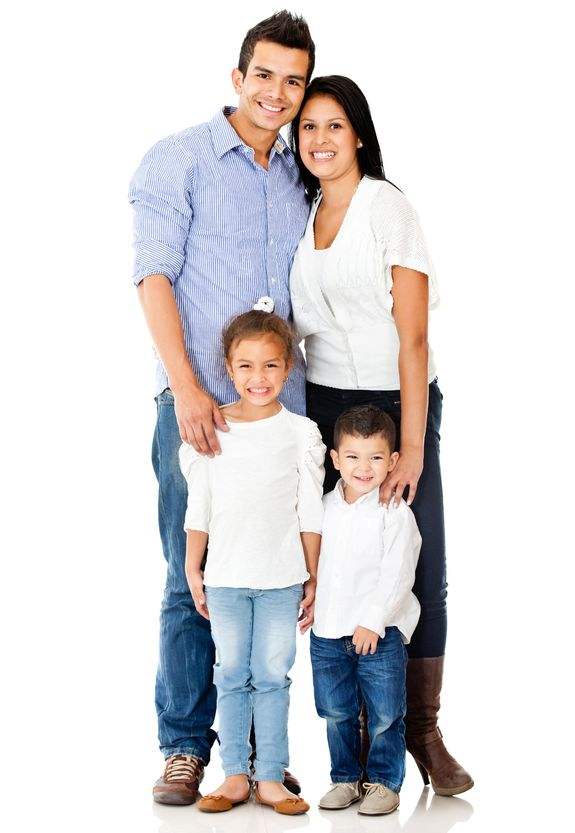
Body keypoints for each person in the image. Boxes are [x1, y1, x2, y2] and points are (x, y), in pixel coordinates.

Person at [128, 11, 315, 804]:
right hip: (200, 409)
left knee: (273, 582)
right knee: (192, 576)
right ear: (238, 78)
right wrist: (187, 388)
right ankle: (184, 747)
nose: (276, 93)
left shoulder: (304, 172)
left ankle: (258, 755)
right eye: (263, 75)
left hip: (283, 420)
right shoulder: (180, 159)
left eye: (293, 81)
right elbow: (153, 276)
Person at [289, 75, 473, 795]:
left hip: (397, 404)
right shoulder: (304, 211)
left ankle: (422, 730)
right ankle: (361, 743)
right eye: (307, 127)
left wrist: (413, 445)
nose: (319, 140)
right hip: (324, 406)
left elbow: (413, 337)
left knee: (417, 560)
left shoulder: (386, 208)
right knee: (341, 562)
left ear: (359, 134)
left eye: (334, 126)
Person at [179, 302, 325, 815]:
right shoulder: (213, 430)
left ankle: (271, 777)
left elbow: (310, 510)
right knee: (230, 674)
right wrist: (193, 567)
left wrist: (312, 576)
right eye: (246, 365)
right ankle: (234, 775)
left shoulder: (300, 433)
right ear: (228, 367)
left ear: (288, 368)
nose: (258, 377)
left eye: (270, 365)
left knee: (271, 675)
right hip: (225, 578)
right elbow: (199, 507)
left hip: (282, 578)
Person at [312, 405, 421, 815]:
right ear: (335, 459)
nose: (364, 467)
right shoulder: (322, 508)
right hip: (328, 632)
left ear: (392, 461)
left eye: (375, 457)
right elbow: (311, 560)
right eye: (353, 457)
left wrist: (373, 620)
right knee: (335, 711)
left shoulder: (394, 512)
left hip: (380, 633)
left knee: (385, 713)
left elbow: (398, 573)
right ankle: (344, 778)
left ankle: (383, 782)